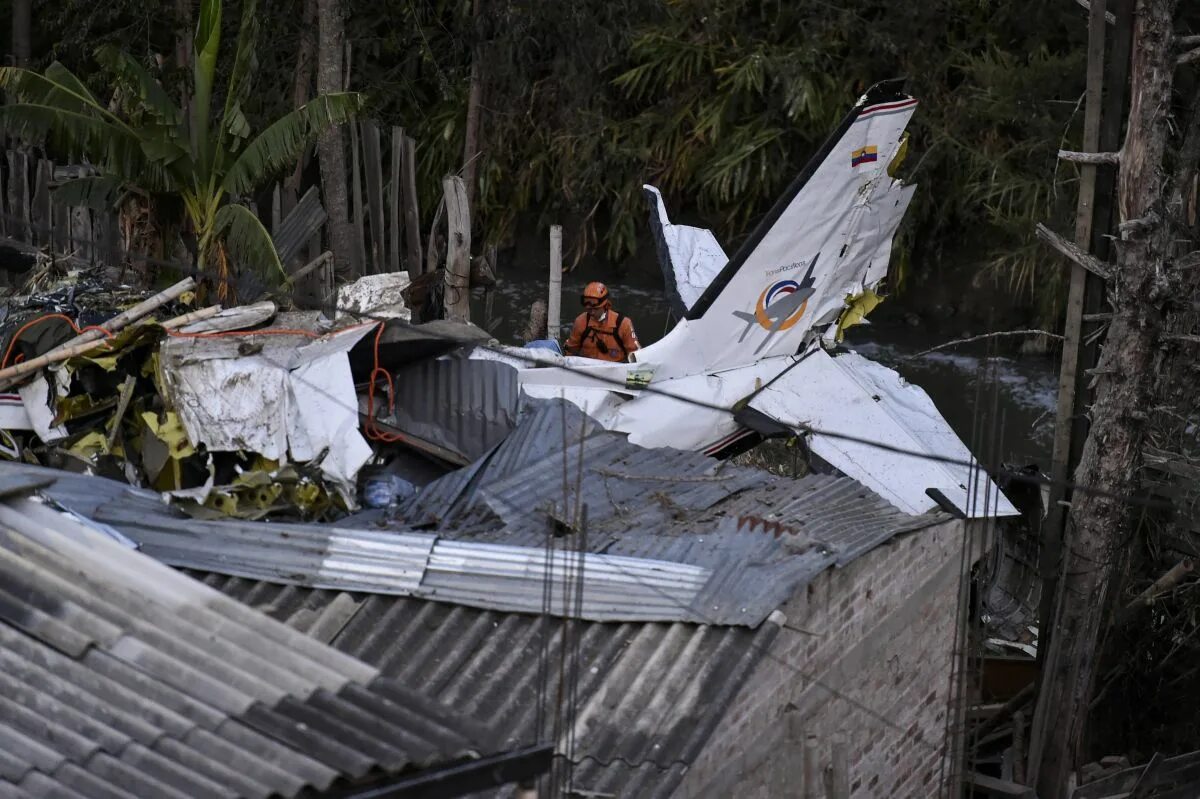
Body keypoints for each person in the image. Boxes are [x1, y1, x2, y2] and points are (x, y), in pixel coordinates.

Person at [563, 281, 640, 362]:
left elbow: (636, 355)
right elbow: (570, 350)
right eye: (589, 309)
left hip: (615, 371)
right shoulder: (581, 321)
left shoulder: (624, 324)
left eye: (596, 309)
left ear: (606, 305)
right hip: (586, 370)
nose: (592, 312)